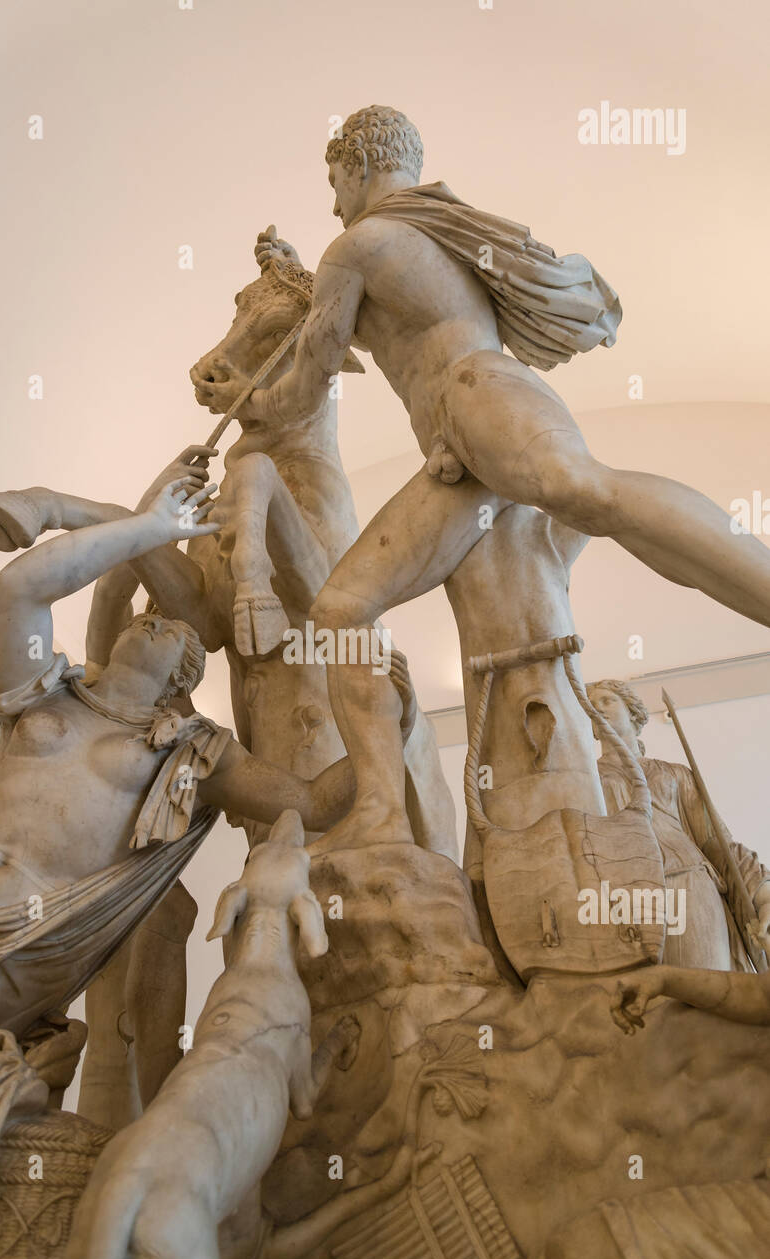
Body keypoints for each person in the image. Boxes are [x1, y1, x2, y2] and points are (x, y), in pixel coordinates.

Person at [199, 105, 770, 853]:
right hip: (456, 451)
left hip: (479, 395)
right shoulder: (428, 230)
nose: (332, 199)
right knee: (340, 613)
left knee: (584, 490)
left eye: (334, 180)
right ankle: (376, 805)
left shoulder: (358, 242)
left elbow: (306, 386)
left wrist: (238, 401)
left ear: (357, 165)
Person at [0, 473, 416, 1041]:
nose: (152, 621)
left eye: (170, 629)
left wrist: (391, 724)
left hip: (18, 937)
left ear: (182, 675)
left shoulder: (192, 749)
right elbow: (19, 588)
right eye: (147, 619)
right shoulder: (45, 689)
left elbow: (315, 802)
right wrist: (148, 528)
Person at [588, 678, 770, 970]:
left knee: (707, 990)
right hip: (624, 896)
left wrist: (763, 894)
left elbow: (717, 842)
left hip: (688, 883)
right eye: (592, 708)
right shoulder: (585, 781)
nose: (598, 709)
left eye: (607, 701)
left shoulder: (674, 774)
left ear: (633, 713)